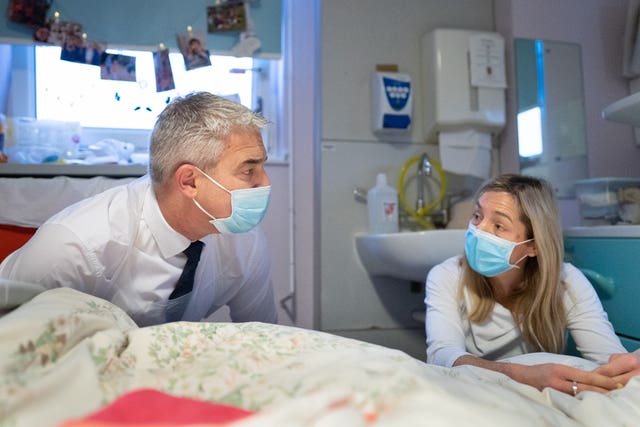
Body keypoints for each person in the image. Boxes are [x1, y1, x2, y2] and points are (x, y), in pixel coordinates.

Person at [0, 92, 277, 327]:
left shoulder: (244, 242)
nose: (265, 182)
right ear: (189, 181)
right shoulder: (74, 248)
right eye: (249, 170)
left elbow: (266, 342)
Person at [425, 174, 640, 395]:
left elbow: (609, 358)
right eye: (477, 216)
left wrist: (627, 367)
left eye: (498, 225)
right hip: (473, 393)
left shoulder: (567, 281)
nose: (479, 230)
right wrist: (519, 375)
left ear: (533, 247)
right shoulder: (447, 275)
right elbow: (442, 355)